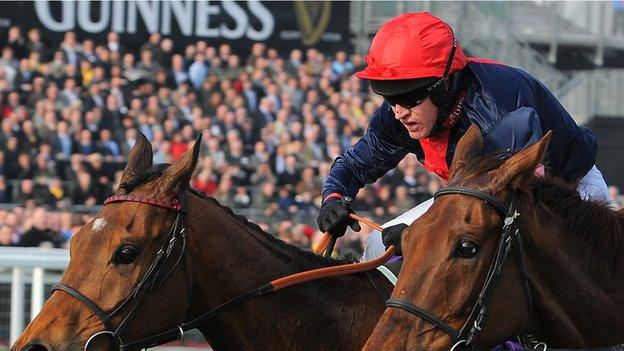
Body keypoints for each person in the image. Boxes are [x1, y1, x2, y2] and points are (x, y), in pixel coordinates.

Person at [316, 12, 610, 259]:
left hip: (565, 197)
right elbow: (353, 167)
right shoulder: (396, 116)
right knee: (378, 248)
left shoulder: (501, 112)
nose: (398, 112)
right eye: (390, 98)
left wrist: (420, 236)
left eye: (408, 98)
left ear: (445, 87)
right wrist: (333, 198)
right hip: (471, 197)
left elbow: (516, 212)